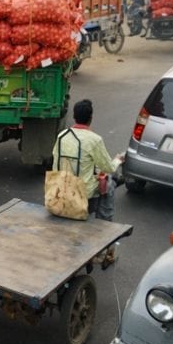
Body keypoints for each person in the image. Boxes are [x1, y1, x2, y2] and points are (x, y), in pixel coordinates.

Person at [52, 101, 123, 264]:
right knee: (109, 181)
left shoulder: (61, 136)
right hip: (83, 193)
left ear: (74, 117)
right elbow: (109, 167)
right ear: (90, 118)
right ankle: (105, 232)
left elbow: (56, 160)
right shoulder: (94, 139)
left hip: (61, 188)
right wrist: (118, 160)